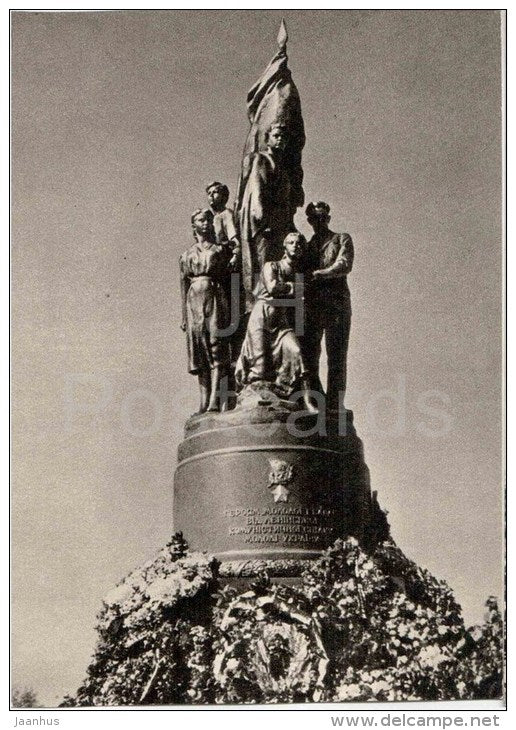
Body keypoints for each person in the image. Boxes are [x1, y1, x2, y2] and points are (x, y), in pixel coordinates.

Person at [235, 232, 317, 413]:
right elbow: (272, 287)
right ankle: (259, 401)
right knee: (260, 370)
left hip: (281, 322)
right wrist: (296, 288)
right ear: (285, 247)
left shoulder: (299, 272)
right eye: (291, 242)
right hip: (262, 318)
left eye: (299, 244)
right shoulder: (271, 266)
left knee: (296, 352)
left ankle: (307, 401)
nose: (296, 246)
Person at [236, 123, 303, 311]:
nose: (281, 140)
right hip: (265, 225)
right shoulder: (262, 159)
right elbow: (256, 189)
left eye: (284, 137)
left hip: (280, 224)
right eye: (277, 136)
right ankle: (259, 307)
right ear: (268, 139)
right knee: (263, 265)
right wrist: (261, 218)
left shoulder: (284, 166)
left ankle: (279, 306)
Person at [303, 201, 354, 413]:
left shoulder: (341, 238)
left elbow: (344, 264)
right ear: (310, 221)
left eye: (323, 217)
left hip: (337, 304)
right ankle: (316, 400)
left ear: (329, 218)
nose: (319, 221)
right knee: (310, 355)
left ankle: (336, 405)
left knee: (337, 356)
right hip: (314, 305)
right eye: (315, 218)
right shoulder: (307, 246)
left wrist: (320, 273)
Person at [179, 208, 231, 413]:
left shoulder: (219, 251)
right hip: (194, 301)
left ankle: (214, 401)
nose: (206, 223)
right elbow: (183, 286)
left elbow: (229, 280)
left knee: (216, 346)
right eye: (201, 220)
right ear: (194, 226)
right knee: (199, 352)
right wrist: (184, 316)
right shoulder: (186, 255)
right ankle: (203, 401)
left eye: (209, 220)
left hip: (215, 296)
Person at [206, 181, 240, 271]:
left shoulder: (226, 215)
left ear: (224, 196)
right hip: (214, 261)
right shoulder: (210, 218)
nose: (211, 195)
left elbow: (235, 240)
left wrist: (235, 256)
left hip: (227, 260)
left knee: (234, 284)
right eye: (209, 193)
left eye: (215, 192)